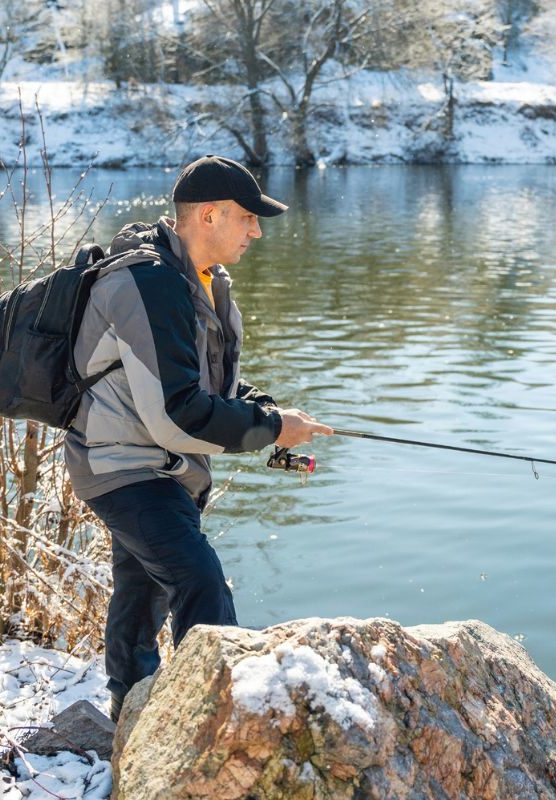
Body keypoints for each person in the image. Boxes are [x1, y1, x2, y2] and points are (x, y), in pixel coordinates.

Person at [63, 155, 332, 721]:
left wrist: (267, 410)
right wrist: (271, 429)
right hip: (124, 467)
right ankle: (216, 724)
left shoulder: (204, 281)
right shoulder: (149, 282)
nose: (257, 230)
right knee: (200, 580)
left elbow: (208, 381)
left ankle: (128, 711)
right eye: (247, 218)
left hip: (157, 466)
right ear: (208, 215)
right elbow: (178, 414)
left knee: (143, 589)